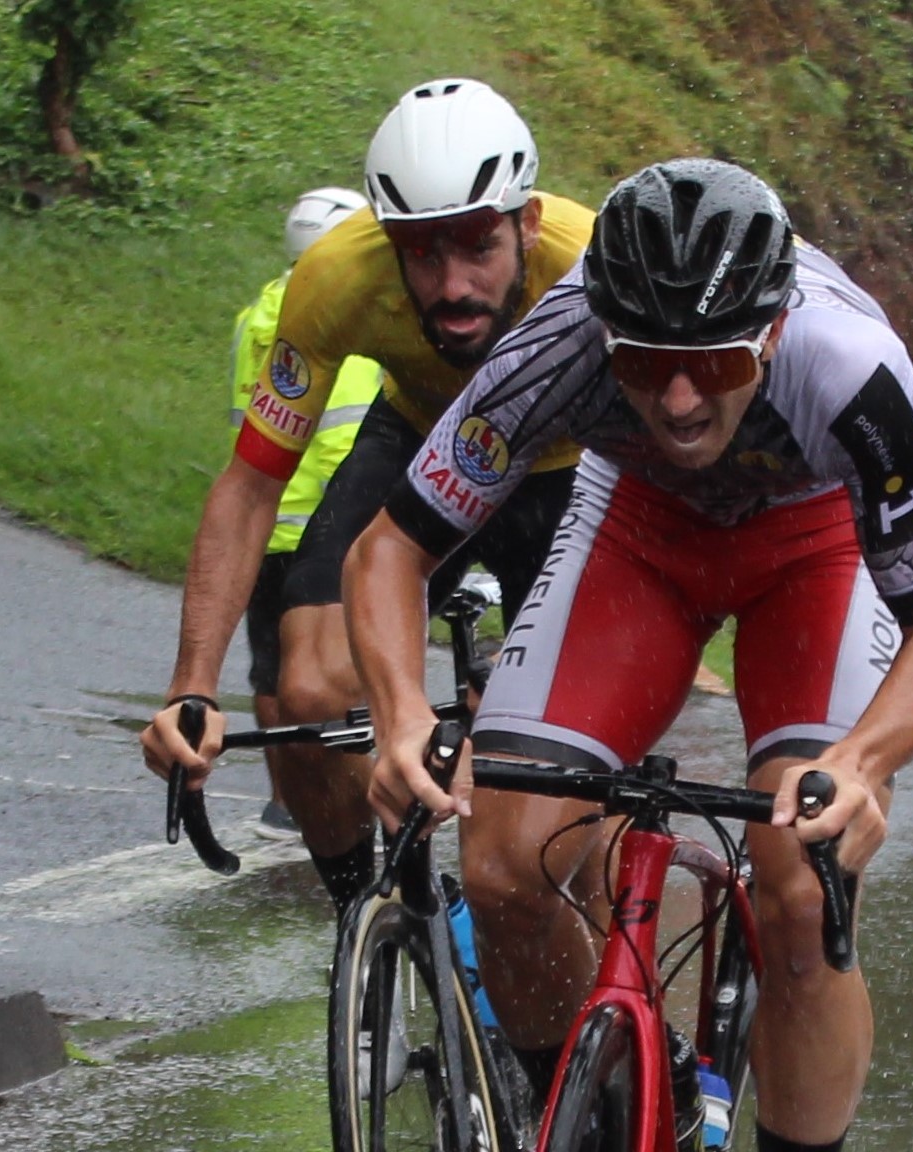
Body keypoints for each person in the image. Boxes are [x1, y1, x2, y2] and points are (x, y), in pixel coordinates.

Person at [347, 158, 913, 1152]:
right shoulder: (554, 346)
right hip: (638, 528)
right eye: (643, 365)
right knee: (504, 864)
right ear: (605, 334)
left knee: (800, 887)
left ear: (771, 333)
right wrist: (400, 717)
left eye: (717, 366)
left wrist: (855, 768)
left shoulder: (850, 369)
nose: (680, 401)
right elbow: (389, 550)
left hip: (813, 539)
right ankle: (606, 1116)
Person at [140, 79, 595, 911]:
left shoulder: (591, 264)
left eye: (476, 248)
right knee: (309, 692)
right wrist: (191, 688)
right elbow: (249, 488)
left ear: (527, 224)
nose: (453, 285)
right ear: (387, 243)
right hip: (419, 437)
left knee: (575, 808)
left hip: (565, 464)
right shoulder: (335, 279)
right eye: (422, 253)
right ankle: (379, 917)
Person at [229, 186, 385, 840]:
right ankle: (347, 789)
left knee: (271, 670)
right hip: (328, 524)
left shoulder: (256, 316)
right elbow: (343, 441)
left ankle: (284, 801)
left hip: (268, 523)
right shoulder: (353, 324)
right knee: (339, 677)